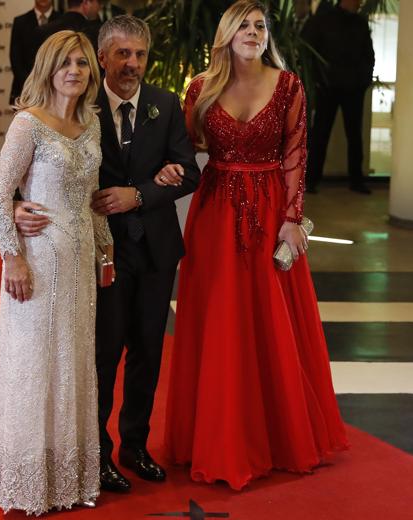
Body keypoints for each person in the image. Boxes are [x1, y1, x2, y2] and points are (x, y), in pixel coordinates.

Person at [159, 0, 349, 491]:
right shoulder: (200, 88)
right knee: (221, 322)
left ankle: (278, 436)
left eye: (259, 25)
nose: (252, 32)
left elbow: (296, 153)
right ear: (226, 34)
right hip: (215, 214)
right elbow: (186, 147)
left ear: (268, 35)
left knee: (270, 322)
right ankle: (218, 436)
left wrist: (291, 220)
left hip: (270, 213)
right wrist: (164, 171)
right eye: (242, 25)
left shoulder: (288, 86)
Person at [15, 15, 200, 493]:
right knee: (102, 354)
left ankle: (135, 445)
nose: (132, 63)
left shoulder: (165, 104)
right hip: (98, 253)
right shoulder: (80, 105)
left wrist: (138, 195)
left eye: (139, 54)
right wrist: (18, 206)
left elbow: (188, 171)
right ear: (102, 58)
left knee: (148, 353)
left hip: (157, 251)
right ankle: (95, 452)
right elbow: (31, 167)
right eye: (122, 53)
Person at [0, 30, 113, 515]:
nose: (75, 70)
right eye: (65, 62)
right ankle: (20, 471)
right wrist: (11, 255)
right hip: (35, 262)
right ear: (48, 68)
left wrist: (106, 253)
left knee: (71, 362)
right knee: (32, 362)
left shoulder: (92, 124)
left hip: (78, 267)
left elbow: (93, 200)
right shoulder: (27, 124)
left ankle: (64, 471)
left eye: (83, 62)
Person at [303, 0, 375, 194]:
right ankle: (311, 180)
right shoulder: (324, 20)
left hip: (353, 87)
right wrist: (317, 80)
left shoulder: (359, 22)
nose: (359, 3)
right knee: (321, 134)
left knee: (354, 135)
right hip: (328, 87)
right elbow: (308, 50)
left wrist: (364, 79)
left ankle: (356, 180)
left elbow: (369, 54)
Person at [9, 0, 60, 104]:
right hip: (25, 89)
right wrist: (31, 84)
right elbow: (15, 58)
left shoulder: (62, 20)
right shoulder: (20, 21)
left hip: (56, 90)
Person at [33, 0, 102, 58]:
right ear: (86, 3)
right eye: (98, 2)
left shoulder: (43, 30)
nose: (99, 7)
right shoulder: (96, 32)